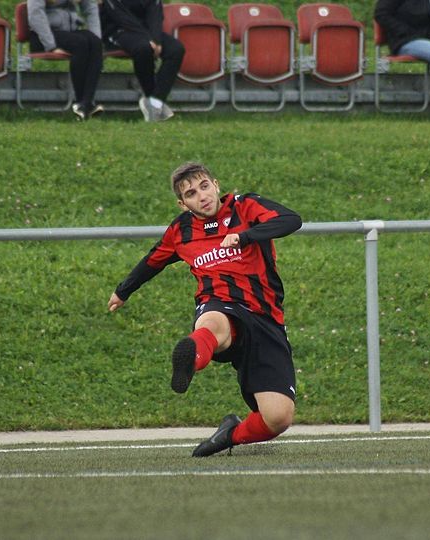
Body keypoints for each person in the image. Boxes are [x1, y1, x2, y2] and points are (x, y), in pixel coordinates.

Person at [107, 162, 301, 457]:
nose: (202, 196)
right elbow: (153, 260)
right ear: (182, 204)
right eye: (191, 194)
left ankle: (229, 434)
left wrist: (245, 236)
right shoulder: (181, 230)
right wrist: (123, 291)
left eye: (204, 186)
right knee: (214, 322)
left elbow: (291, 220)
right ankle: (190, 358)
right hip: (219, 305)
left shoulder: (245, 207)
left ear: (216, 185)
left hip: (264, 317)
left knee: (277, 418)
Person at [101, 0, 184, 122]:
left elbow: (155, 14)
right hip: (118, 30)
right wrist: (148, 38)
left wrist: (156, 39)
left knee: (176, 49)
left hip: (147, 32)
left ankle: (155, 101)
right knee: (144, 47)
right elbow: (120, 17)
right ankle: (151, 97)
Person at [27, 0, 105, 121]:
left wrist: (96, 38)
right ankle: (81, 102)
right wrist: (51, 46)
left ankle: (87, 102)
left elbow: (91, 9)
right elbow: (35, 14)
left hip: (69, 32)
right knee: (80, 43)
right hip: (42, 36)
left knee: (96, 43)